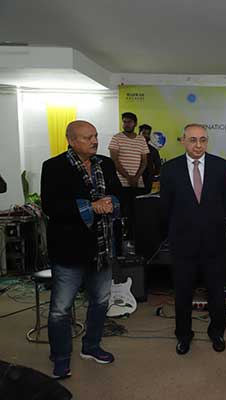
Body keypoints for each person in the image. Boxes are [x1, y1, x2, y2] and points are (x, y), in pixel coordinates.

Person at [41, 120, 122, 379]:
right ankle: (61, 357)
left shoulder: (105, 164)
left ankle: (92, 346)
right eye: (87, 137)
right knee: (60, 309)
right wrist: (90, 207)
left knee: (100, 302)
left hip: (101, 248)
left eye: (95, 136)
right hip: (68, 250)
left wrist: (112, 202)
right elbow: (51, 207)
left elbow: (119, 194)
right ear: (71, 141)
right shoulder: (53, 166)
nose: (94, 141)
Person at [160, 123, 226, 355]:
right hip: (182, 243)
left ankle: (217, 332)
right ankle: (183, 335)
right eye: (193, 140)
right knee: (183, 293)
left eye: (203, 140)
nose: (198, 145)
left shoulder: (221, 167)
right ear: (183, 140)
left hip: (215, 243)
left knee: (216, 292)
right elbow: (165, 207)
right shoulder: (170, 169)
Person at [108, 112, 149, 242]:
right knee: (120, 213)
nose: (126, 124)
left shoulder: (141, 139)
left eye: (129, 122)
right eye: (124, 122)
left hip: (137, 183)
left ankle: (134, 240)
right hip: (120, 183)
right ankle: (119, 241)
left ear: (135, 124)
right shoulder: (116, 138)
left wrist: (136, 177)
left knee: (136, 214)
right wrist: (128, 177)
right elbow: (114, 160)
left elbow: (144, 161)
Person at [139, 124, 162, 194]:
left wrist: (151, 176)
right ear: (139, 134)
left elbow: (158, 167)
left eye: (148, 134)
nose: (146, 135)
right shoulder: (132, 148)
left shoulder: (153, 151)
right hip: (131, 181)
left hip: (147, 183)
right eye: (144, 133)